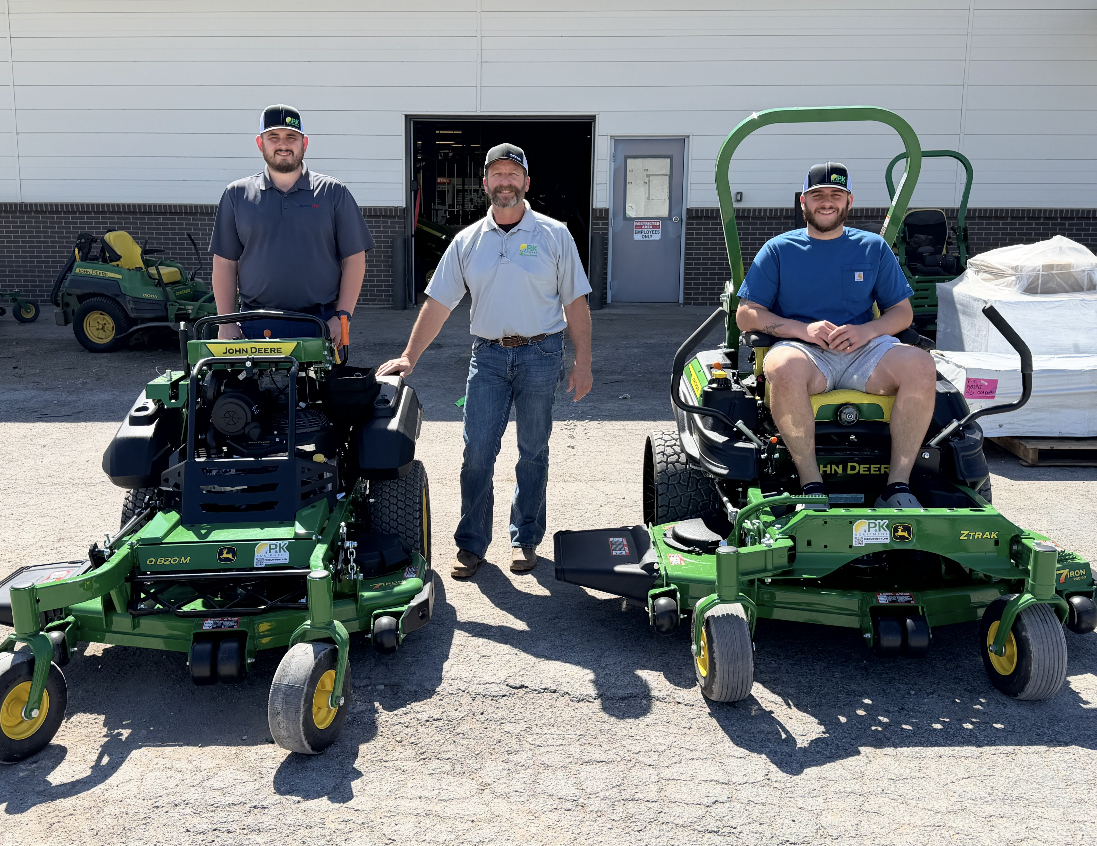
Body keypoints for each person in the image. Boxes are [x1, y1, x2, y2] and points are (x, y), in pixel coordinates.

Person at [377, 143, 593, 577]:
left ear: (526, 182)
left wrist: (583, 361)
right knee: (476, 452)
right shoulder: (468, 241)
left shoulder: (554, 235)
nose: (505, 182)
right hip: (488, 357)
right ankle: (472, 543)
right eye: (497, 174)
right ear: (485, 183)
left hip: (541, 354)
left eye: (513, 174)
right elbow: (439, 302)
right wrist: (408, 356)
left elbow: (575, 302)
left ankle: (525, 538)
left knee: (533, 451)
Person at [735, 161, 937, 508]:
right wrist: (803, 329)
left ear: (849, 201)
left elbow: (902, 313)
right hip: (804, 351)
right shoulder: (779, 249)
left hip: (866, 351)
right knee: (782, 366)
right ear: (803, 202)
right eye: (817, 195)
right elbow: (746, 314)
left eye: (835, 194)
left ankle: (897, 487)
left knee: (921, 364)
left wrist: (867, 331)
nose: (826, 202)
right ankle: (811, 485)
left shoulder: (873, 247)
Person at [209, 104, 374, 346]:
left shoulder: (332, 192)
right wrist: (226, 322)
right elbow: (224, 262)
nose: (283, 145)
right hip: (254, 325)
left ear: (304, 143)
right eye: (273, 137)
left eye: (291, 137)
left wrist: (342, 317)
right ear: (260, 143)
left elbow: (355, 258)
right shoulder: (237, 195)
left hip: (321, 324)